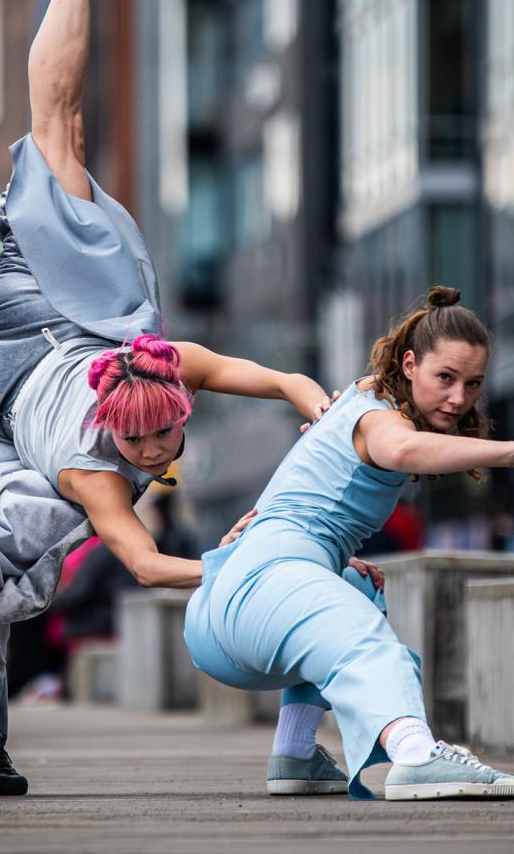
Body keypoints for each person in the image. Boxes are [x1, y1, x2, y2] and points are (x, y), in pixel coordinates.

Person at [0, 0, 363, 798]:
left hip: (4, 399)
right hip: (37, 336)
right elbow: (142, 562)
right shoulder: (100, 469)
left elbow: (252, 371)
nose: (153, 445)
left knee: (2, 557)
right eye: (141, 436)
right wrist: (248, 564)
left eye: (162, 434)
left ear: (170, 404)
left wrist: (314, 398)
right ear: (119, 414)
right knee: (55, 132)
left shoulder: (160, 369)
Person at [185, 286, 514, 801]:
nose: (458, 398)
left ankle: (294, 753)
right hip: (258, 588)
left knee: (359, 588)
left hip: (222, 612)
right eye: (445, 378)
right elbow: (400, 448)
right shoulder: (377, 414)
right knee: (365, 634)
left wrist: (325, 561)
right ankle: (415, 753)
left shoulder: (361, 397)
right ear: (409, 364)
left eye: (472, 384)